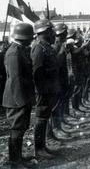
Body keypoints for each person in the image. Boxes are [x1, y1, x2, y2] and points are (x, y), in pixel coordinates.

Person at [2, 23, 35, 167]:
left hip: (21, 96)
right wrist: (22, 101)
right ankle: (14, 161)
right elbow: (15, 79)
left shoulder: (20, 50)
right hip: (16, 98)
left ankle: (18, 157)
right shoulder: (14, 52)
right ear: (24, 38)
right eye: (30, 37)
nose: (31, 40)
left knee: (20, 129)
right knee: (16, 130)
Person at [31, 19, 61, 158]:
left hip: (49, 89)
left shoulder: (46, 46)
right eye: (50, 31)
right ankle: (39, 149)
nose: (53, 33)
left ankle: (43, 146)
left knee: (45, 117)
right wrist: (41, 91)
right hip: (43, 90)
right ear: (44, 32)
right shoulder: (38, 48)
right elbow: (37, 72)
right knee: (41, 119)